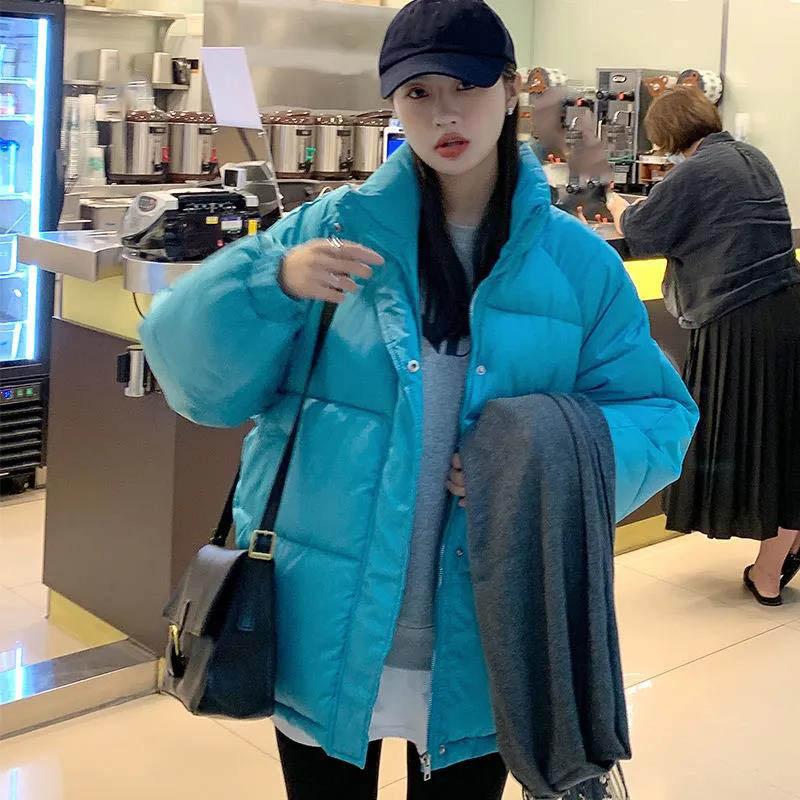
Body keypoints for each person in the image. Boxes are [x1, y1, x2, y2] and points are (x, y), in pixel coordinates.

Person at [140, 1, 697, 796]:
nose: (444, 115)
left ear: (510, 90)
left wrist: (533, 459)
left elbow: (659, 416)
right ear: (393, 105)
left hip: (487, 626)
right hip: (323, 617)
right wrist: (268, 281)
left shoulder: (577, 264)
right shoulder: (328, 231)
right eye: (418, 93)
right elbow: (192, 377)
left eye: (466, 86)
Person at [605, 86, 800, 607]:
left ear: (666, 133)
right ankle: (776, 559)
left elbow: (642, 234)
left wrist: (616, 204)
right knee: (785, 443)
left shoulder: (695, 171)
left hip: (738, 323)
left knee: (749, 445)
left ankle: (768, 572)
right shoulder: (752, 158)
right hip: (787, 311)